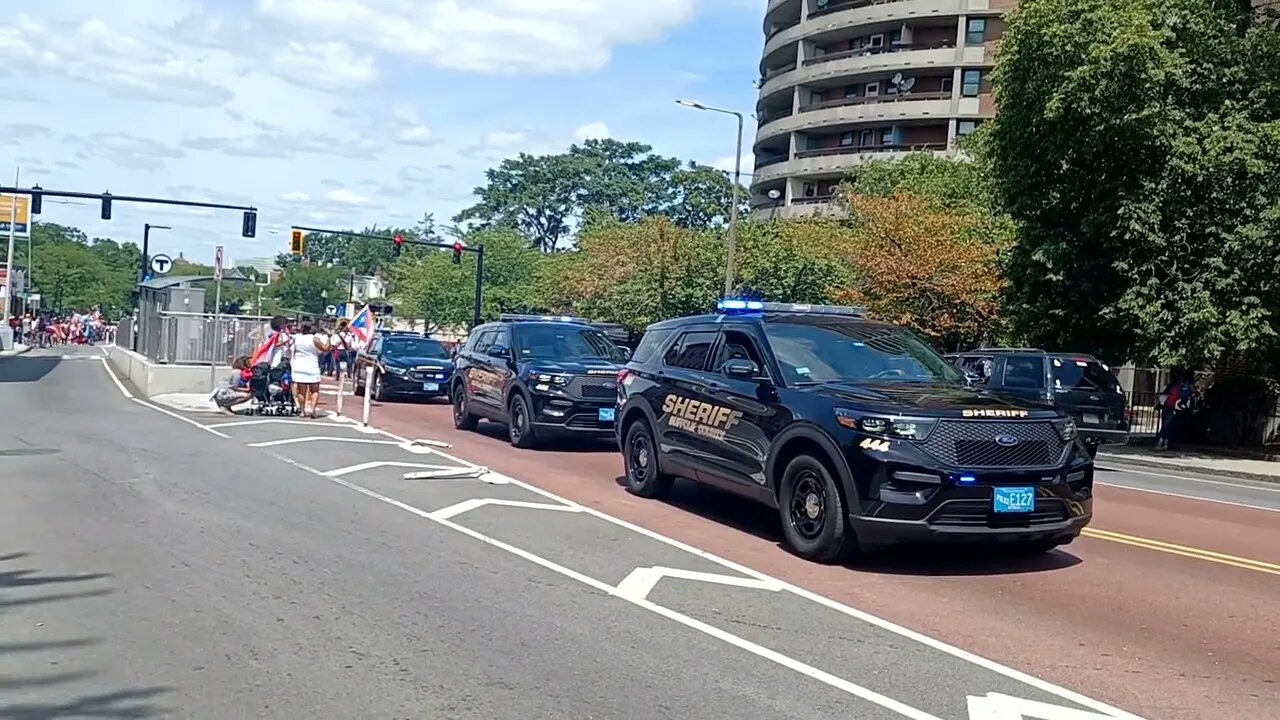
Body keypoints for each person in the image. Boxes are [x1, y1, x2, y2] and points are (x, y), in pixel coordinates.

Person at [290, 321, 331, 417]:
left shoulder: (297, 338)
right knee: (314, 390)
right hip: (311, 365)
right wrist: (329, 337)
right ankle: (313, 410)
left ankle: (302, 411)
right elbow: (325, 348)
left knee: (301, 391)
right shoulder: (314, 339)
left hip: (299, 365)